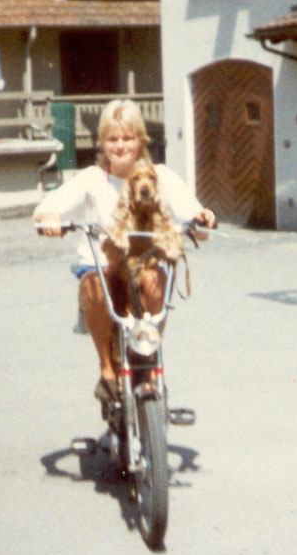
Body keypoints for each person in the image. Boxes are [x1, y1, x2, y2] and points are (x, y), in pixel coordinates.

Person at [34, 99, 215, 403]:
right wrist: (50, 219)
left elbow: (194, 215)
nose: (120, 146)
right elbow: (48, 207)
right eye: (113, 139)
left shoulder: (160, 176)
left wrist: (203, 218)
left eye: (128, 138)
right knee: (92, 283)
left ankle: (147, 360)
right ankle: (107, 372)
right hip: (103, 267)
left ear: (141, 141)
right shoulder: (92, 179)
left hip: (145, 266)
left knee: (158, 280)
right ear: (102, 143)